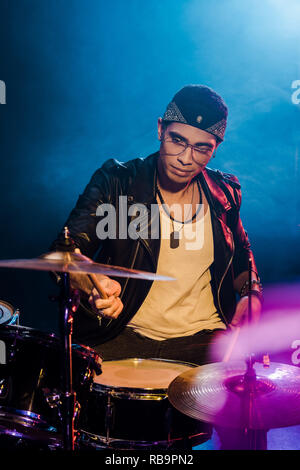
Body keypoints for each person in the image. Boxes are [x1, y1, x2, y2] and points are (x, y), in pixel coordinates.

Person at [51, 84, 263, 449]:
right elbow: (62, 254)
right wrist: (92, 279)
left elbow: (242, 253)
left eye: (202, 148)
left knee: (253, 412)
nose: (185, 157)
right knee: (75, 408)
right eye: (177, 140)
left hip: (204, 340)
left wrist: (250, 292)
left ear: (216, 148)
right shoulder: (116, 181)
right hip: (125, 331)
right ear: (161, 129)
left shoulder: (225, 193)